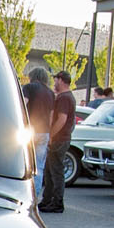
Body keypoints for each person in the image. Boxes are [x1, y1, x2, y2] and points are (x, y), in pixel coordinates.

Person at [40, 71, 76, 213]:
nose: (54, 83)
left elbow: (62, 119)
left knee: (56, 171)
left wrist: (51, 135)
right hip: (62, 138)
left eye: (55, 80)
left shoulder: (64, 98)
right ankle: (48, 200)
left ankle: (57, 202)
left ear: (61, 80)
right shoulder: (66, 97)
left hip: (59, 139)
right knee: (50, 171)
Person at [22, 66, 53, 199]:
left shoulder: (29, 88)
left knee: (25, 162)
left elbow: (23, 104)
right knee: (39, 165)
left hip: (30, 130)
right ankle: (35, 194)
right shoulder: (50, 93)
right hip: (44, 132)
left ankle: (24, 193)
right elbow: (51, 115)